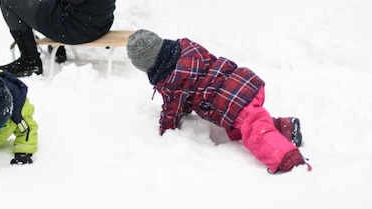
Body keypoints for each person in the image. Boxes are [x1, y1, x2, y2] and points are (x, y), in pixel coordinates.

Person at [126, 29, 312, 174]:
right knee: (246, 126)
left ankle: (287, 158)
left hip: (232, 101)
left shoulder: (172, 83)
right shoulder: (187, 49)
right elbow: (194, 82)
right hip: (243, 83)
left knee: (255, 134)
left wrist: (166, 131)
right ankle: (285, 127)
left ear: (149, 65)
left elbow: (171, 112)